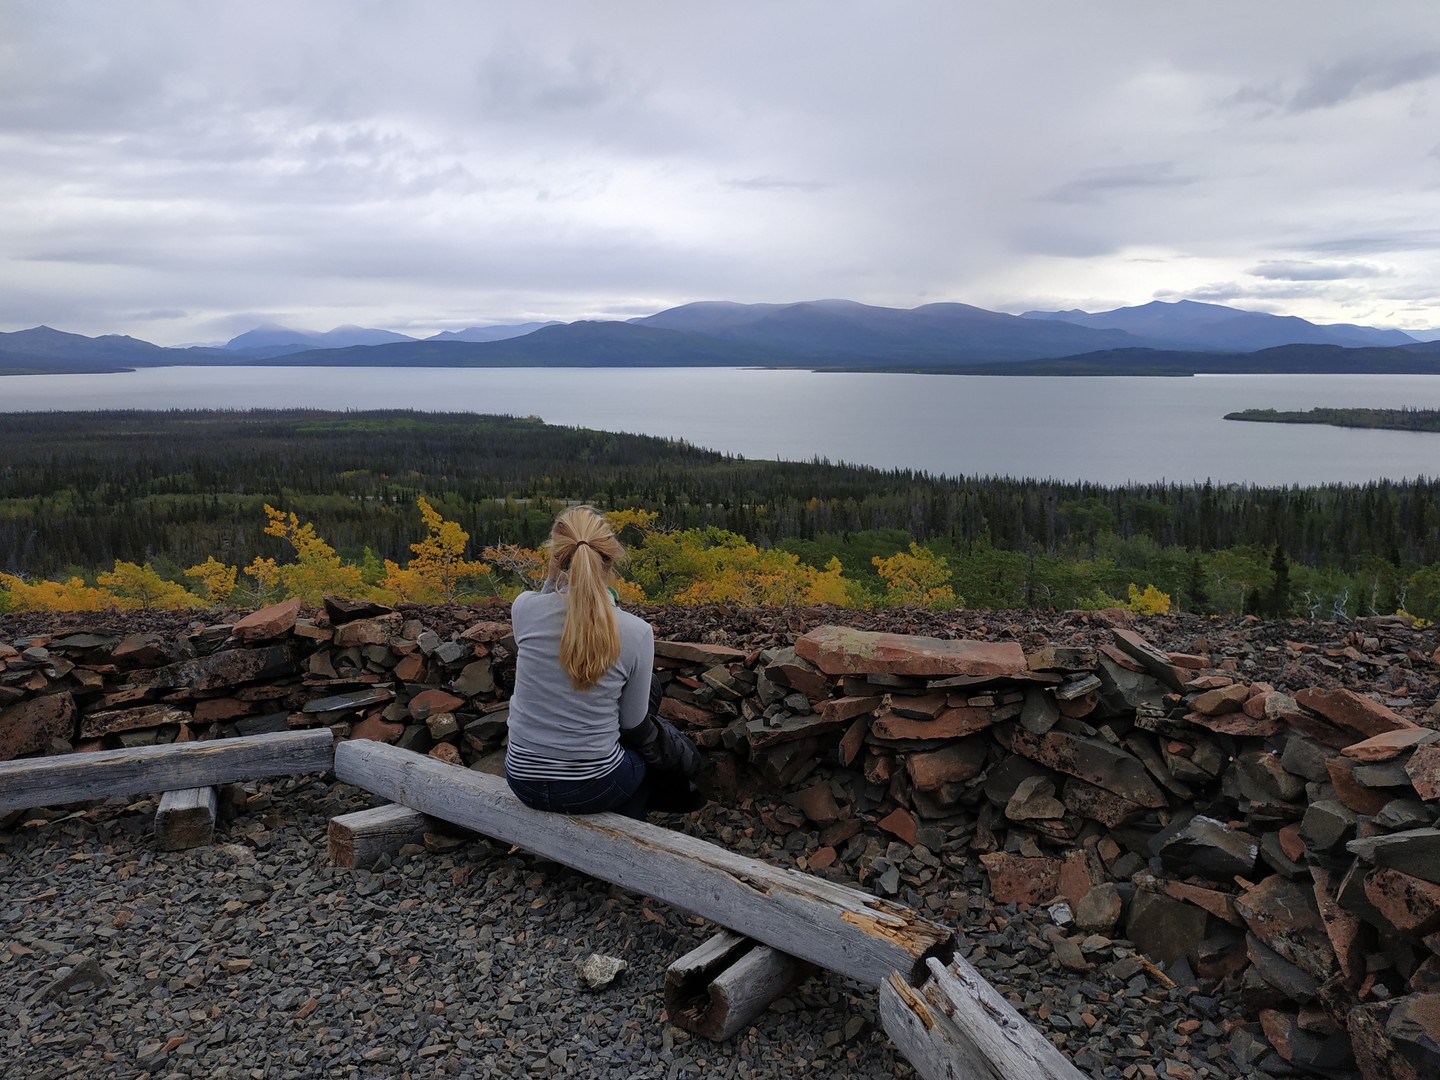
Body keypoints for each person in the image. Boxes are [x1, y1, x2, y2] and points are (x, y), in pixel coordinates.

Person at [504, 506, 703, 820]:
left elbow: (548, 607)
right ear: (609, 561)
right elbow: (633, 724)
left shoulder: (523, 608)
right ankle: (628, 830)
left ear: (556, 559)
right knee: (642, 756)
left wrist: (553, 574)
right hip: (590, 786)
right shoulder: (635, 632)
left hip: (522, 779)